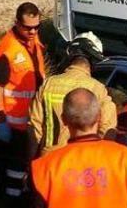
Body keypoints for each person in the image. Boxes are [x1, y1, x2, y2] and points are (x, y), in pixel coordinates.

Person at [0, 2, 47, 198]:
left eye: (37, 26)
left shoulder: (33, 41)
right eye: (28, 27)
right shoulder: (8, 50)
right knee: (15, 165)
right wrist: (2, 120)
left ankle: (20, 194)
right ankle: (11, 200)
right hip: (11, 121)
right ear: (17, 23)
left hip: (28, 119)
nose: (33, 31)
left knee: (25, 162)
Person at [27, 32, 117, 160]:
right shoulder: (98, 89)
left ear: (69, 56)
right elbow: (108, 131)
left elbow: (34, 129)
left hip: (49, 161)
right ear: (93, 61)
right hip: (82, 165)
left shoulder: (48, 83)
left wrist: (31, 165)